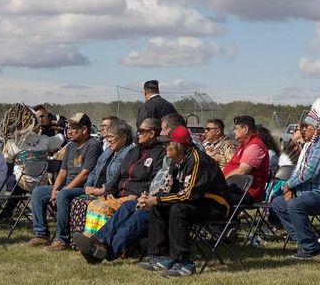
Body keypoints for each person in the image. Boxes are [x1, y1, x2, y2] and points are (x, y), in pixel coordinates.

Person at [135, 126, 230, 277]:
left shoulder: (198, 161)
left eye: (167, 144)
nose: (164, 147)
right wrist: (149, 198)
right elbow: (168, 190)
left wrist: (158, 199)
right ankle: (160, 256)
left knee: (178, 210)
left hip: (215, 205)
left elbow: (188, 195)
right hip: (195, 202)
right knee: (158, 206)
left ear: (178, 146)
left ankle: (184, 263)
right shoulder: (175, 160)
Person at [72, 117, 167, 264]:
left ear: (152, 133)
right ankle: (96, 242)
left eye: (142, 131)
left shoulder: (159, 154)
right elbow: (117, 177)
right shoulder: (134, 152)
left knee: (106, 207)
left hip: (135, 196)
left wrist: (137, 195)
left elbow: (154, 181)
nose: (138, 133)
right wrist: (109, 191)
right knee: (94, 203)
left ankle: (101, 251)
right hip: (118, 196)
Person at [270, 104, 320, 260]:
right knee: (278, 203)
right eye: (301, 127)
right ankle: (305, 241)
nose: (302, 129)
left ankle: (312, 250)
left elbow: (309, 172)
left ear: (317, 127)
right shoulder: (312, 145)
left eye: (306, 126)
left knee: (295, 205)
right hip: (310, 194)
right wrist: (289, 188)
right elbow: (298, 171)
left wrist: (289, 186)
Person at [28, 112, 101, 249]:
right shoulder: (71, 146)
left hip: (84, 187)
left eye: (74, 128)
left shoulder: (93, 145)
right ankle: (41, 234)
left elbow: (85, 174)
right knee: (38, 192)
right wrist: (55, 190)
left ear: (85, 130)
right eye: (69, 128)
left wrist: (63, 191)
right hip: (67, 187)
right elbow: (62, 172)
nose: (70, 131)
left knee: (63, 194)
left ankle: (62, 239)